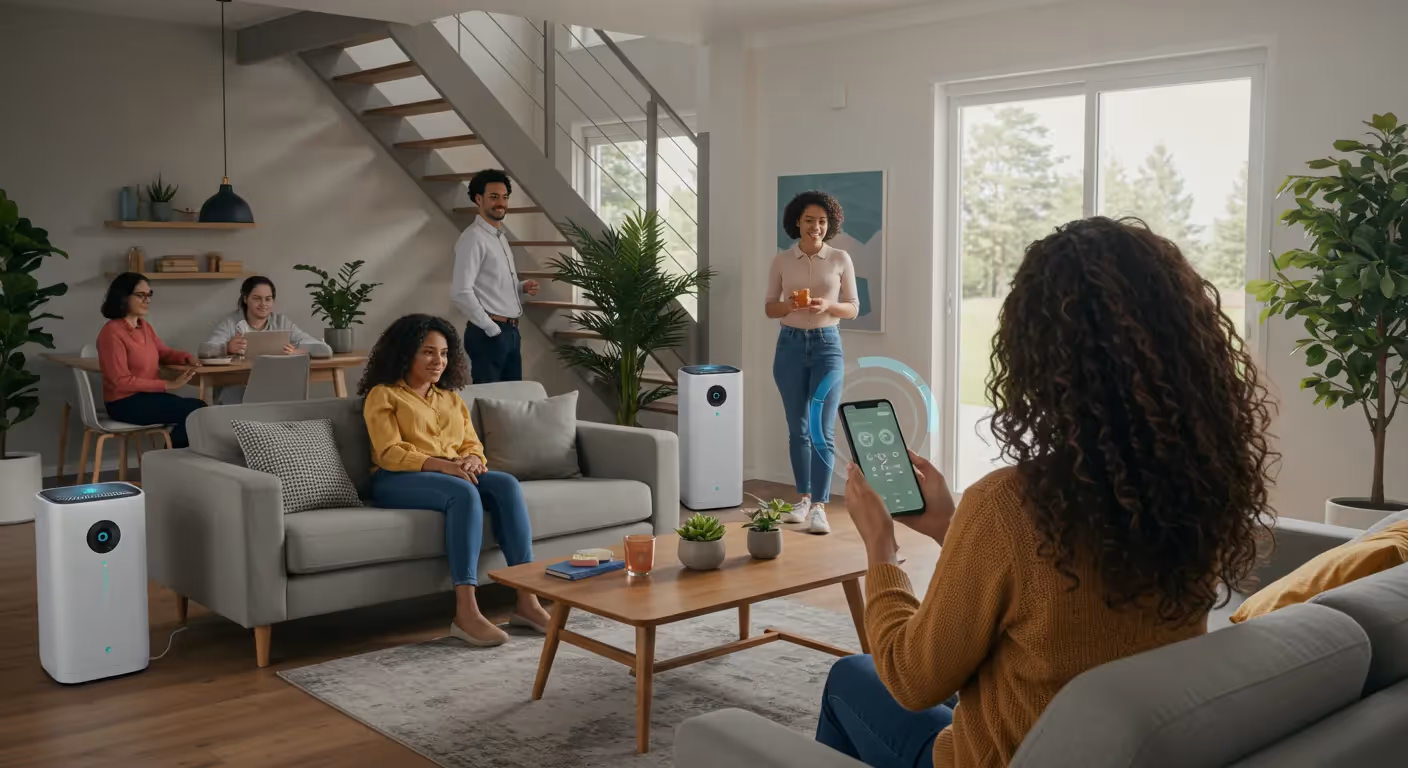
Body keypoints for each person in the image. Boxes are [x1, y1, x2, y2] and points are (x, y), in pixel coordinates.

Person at [818, 218, 1276, 768]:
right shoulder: (1195, 494)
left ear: (1038, 358)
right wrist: (950, 526)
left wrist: (881, 548)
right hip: (1115, 749)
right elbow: (1050, 606)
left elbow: (912, 680)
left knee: (852, 677)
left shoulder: (1012, 505)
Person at [360, 314, 551, 647]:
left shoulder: (450, 397)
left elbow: (470, 442)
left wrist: (474, 459)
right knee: (462, 492)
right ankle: (466, 613)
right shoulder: (384, 395)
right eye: (428, 352)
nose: (439, 361)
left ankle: (527, 601)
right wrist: (441, 465)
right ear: (407, 353)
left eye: (445, 353)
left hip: (452, 472)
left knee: (505, 484)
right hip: (396, 478)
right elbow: (389, 451)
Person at [765, 190, 859, 535]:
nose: (815, 227)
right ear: (796, 222)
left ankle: (820, 505)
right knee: (798, 430)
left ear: (829, 224)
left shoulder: (840, 259)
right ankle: (802, 499)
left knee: (822, 429)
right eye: (809, 220)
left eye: (822, 221)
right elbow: (768, 307)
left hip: (827, 346)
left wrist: (828, 307)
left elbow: (852, 307)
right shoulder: (781, 260)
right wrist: (789, 305)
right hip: (788, 347)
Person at [97, 272, 206, 449]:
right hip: (124, 403)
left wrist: (186, 357)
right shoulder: (112, 332)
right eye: (141, 295)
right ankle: (170, 460)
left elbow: (163, 352)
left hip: (148, 397)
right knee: (195, 411)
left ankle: (172, 459)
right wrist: (168, 384)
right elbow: (120, 382)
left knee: (199, 409)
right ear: (123, 297)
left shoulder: (144, 327)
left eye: (149, 295)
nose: (147, 300)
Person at [451, 169, 540, 384]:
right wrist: (491, 328)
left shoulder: (499, 237)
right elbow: (461, 291)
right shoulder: (473, 238)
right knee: (491, 405)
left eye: (504, 197)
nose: (501, 203)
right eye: (494, 197)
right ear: (478, 199)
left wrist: (520, 287)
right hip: (489, 333)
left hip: (510, 332)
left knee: (512, 403)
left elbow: (491, 283)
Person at [199, 276, 333, 403]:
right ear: (245, 299)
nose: (263, 304)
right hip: (236, 393)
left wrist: (300, 351)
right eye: (257, 298)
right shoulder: (230, 323)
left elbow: (325, 350)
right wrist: (226, 347)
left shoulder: (282, 322)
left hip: (274, 390)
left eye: (268, 299)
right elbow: (205, 351)